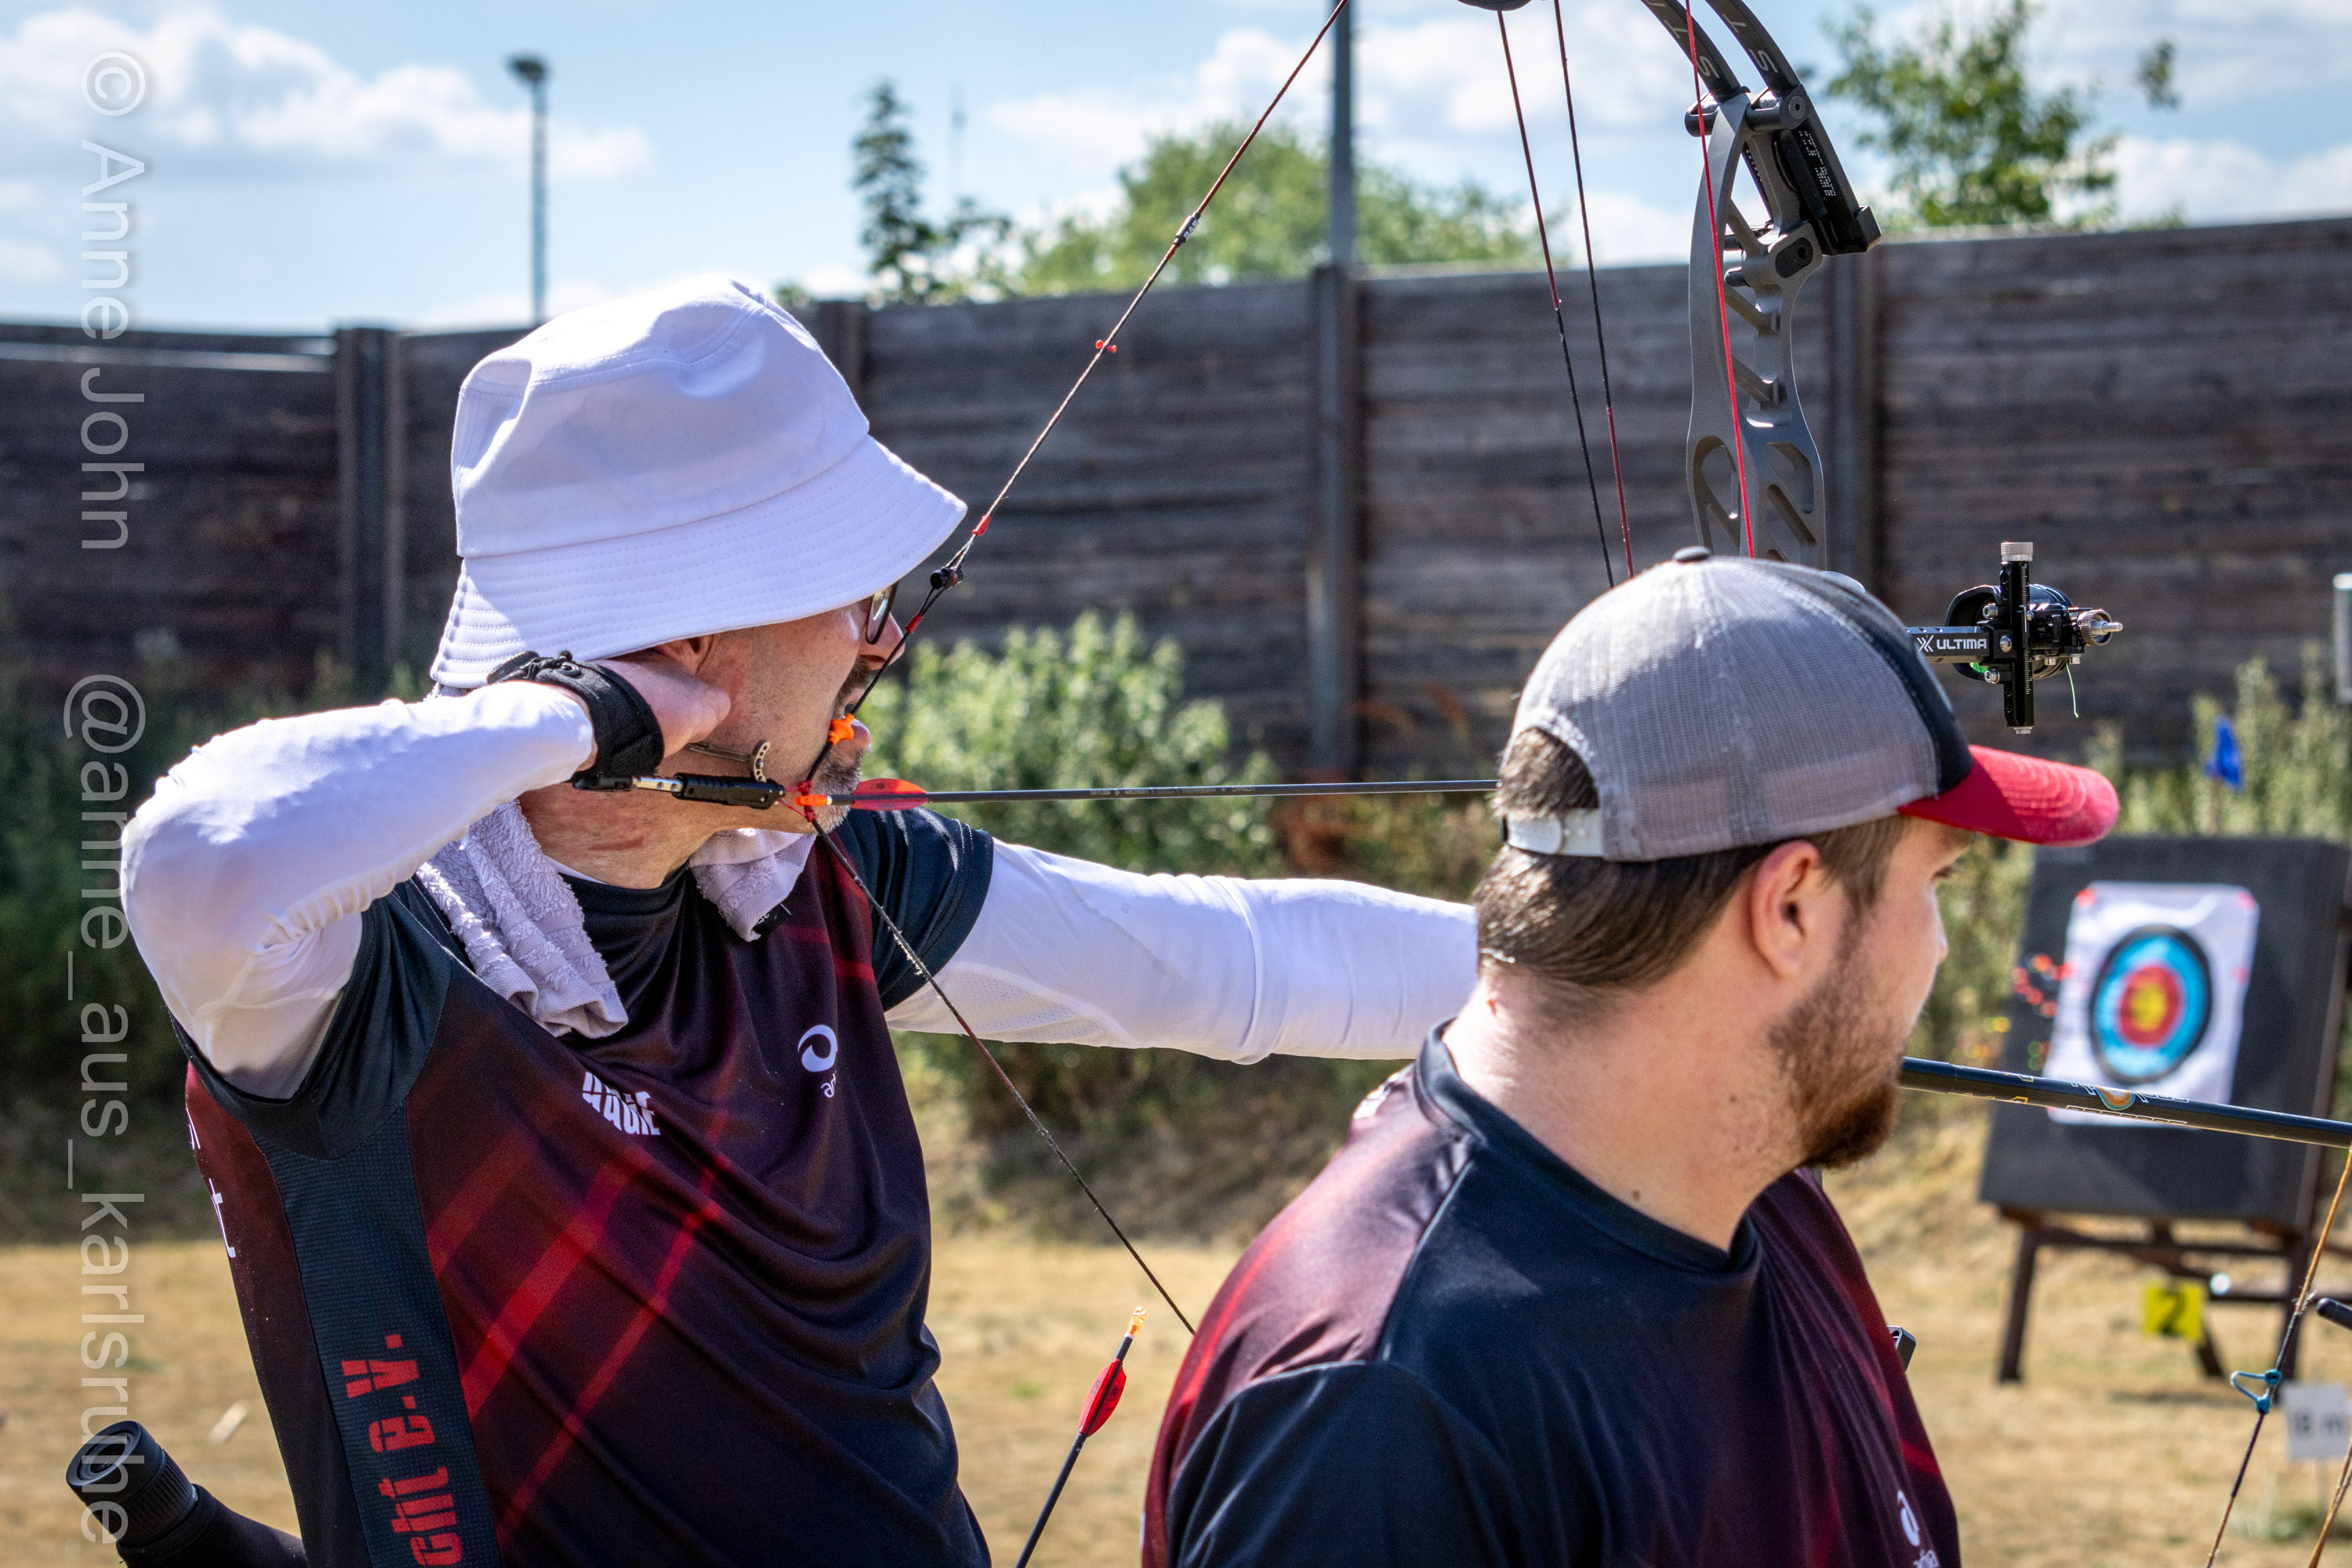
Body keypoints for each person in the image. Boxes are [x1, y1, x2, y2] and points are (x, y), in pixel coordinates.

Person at [121, 276, 1476, 1567]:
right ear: (689, 652)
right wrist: (580, 713)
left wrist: (1578, 953)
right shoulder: (365, 978)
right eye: (855, 598)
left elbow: (1232, 958)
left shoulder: (806, 883)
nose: (882, 640)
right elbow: (198, 850)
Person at [1143, 550, 2120, 1568]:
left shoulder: (1759, 1198)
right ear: (1790, 909)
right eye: (1937, 885)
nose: (1943, 948)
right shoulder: (1382, 1415)